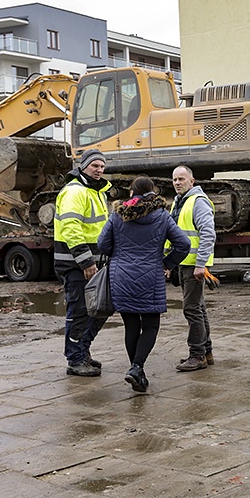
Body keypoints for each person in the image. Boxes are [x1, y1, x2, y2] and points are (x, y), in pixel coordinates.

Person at [98, 176, 190, 392]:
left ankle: (135, 370)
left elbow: (102, 244)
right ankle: (137, 368)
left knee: (131, 326)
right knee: (150, 326)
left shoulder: (117, 215)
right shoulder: (162, 216)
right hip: (151, 275)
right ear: (153, 192)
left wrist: (120, 257)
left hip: (121, 276)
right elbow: (183, 244)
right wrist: (167, 263)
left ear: (131, 193)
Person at [54, 148, 111, 377]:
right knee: (79, 312)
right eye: (95, 166)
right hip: (77, 265)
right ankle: (75, 359)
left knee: (98, 310)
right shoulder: (75, 192)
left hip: (94, 265)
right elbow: (71, 228)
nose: (99, 170)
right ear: (83, 166)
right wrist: (85, 261)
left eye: (102, 166)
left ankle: (82, 350)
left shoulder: (97, 192)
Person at [168, 165, 217, 372]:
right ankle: (205, 352)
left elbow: (208, 233)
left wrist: (201, 264)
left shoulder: (197, 202)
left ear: (192, 181)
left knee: (192, 309)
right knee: (198, 308)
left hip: (193, 266)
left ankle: (197, 355)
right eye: (175, 180)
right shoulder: (180, 203)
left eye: (181, 179)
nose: (178, 183)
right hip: (183, 263)